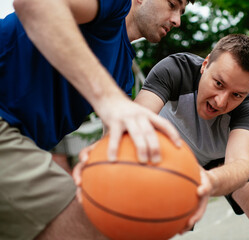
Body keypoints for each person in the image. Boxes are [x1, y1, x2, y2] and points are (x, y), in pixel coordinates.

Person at [0, 0, 195, 239]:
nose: (177, 20)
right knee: (89, 226)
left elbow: (113, 156)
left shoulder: (122, 74)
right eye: (172, 4)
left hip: (21, 142)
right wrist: (107, 98)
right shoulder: (114, 4)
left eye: (181, 12)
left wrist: (171, 198)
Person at [134, 34, 249, 239]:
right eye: (219, 83)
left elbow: (241, 165)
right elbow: (135, 121)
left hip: (219, 158)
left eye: (237, 95)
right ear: (205, 64)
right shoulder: (175, 69)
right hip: (169, 151)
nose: (220, 102)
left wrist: (206, 181)